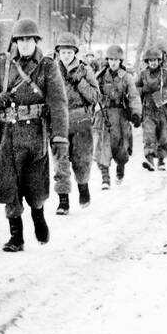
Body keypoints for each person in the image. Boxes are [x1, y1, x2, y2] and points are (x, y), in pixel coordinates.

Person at [0, 17, 69, 252]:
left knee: (35, 188)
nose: (25, 44)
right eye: (20, 40)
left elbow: (58, 104)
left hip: (35, 134)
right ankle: (16, 236)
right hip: (7, 134)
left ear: (36, 41)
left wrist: (58, 136)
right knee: (9, 187)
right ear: (15, 41)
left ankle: (38, 217)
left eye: (29, 39)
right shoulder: (3, 63)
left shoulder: (48, 66)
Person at [52, 31, 101, 213]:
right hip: (59, 121)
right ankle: (63, 200)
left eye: (70, 52)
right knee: (60, 162)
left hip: (81, 119)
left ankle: (83, 187)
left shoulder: (85, 70)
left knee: (81, 159)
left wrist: (80, 82)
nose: (66, 55)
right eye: (63, 52)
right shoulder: (52, 70)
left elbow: (95, 97)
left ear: (75, 53)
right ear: (58, 53)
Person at [94, 44, 142, 188]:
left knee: (122, 147)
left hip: (121, 116)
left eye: (116, 60)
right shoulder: (101, 76)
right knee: (103, 145)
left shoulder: (126, 77)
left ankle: (120, 169)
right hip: (104, 115)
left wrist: (136, 113)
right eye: (110, 59)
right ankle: (105, 178)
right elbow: (92, 94)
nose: (113, 62)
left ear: (120, 61)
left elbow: (134, 96)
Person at [135, 46, 167, 171]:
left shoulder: (166, 73)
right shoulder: (142, 75)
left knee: (163, 136)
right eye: (150, 60)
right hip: (148, 110)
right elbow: (134, 90)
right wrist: (143, 90)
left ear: (159, 61)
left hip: (164, 110)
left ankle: (161, 160)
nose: (153, 63)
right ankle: (150, 159)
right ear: (147, 62)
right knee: (149, 135)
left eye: (156, 60)